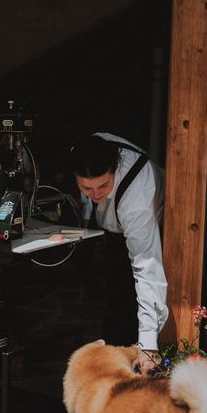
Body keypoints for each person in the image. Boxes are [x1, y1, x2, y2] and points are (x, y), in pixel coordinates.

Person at [69, 132, 167, 374]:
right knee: (113, 302)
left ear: (115, 169)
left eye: (103, 185)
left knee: (127, 304)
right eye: (86, 187)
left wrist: (148, 344)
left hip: (154, 228)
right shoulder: (92, 147)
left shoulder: (136, 197)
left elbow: (147, 267)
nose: (96, 194)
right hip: (114, 229)